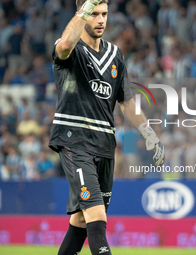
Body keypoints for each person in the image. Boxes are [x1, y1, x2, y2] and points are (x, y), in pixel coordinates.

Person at [49, 1, 165, 255]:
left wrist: (149, 133)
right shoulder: (70, 47)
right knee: (96, 214)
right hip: (74, 140)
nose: (101, 20)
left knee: (81, 220)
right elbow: (65, 46)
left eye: (104, 14)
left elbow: (127, 103)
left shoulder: (115, 55)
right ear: (82, 13)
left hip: (104, 145)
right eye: (94, 14)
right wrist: (84, 10)